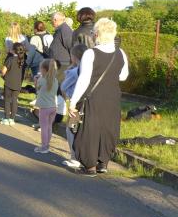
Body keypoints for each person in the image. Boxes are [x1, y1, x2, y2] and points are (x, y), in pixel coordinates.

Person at [69, 18, 129, 176]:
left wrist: (73, 102)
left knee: (91, 128)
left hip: (94, 97)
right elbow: (123, 76)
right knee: (108, 128)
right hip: (113, 96)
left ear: (96, 34)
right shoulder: (120, 53)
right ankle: (103, 163)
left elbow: (84, 79)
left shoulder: (91, 53)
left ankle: (90, 166)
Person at [61, 44, 85, 168]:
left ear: (74, 57)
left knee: (71, 128)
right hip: (87, 102)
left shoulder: (74, 72)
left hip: (75, 103)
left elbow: (63, 87)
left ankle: (74, 157)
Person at [34, 59, 59, 154]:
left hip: (44, 107)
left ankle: (44, 146)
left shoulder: (41, 80)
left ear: (44, 69)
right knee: (49, 126)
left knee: (43, 127)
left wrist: (35, 80)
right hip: (53, 106)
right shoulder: (55, 80)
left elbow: (37, 88)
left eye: (40, 68)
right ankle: (47, 145)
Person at [0, 43, 26, 125]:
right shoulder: (23, 61)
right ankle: (12, 119)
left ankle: (6, 118)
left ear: (14, 50)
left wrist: (2, 75)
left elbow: (3, 71)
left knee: (7, 100)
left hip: (8, 82)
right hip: (18, 83)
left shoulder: (10, 59)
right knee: (15, 100)